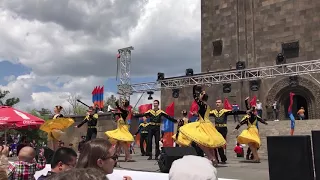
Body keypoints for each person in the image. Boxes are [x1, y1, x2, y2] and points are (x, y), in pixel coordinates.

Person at [175, 85, 226, 166]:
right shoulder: (207, 106)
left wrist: (193, 88)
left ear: (202, 97)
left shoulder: (202, 104)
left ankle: (210, 157)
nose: (199, 97)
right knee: (209, 144)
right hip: (208, 124)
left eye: (200, 96)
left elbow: (195, 97)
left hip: (203, 124)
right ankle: (214, 159)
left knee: (200, 142)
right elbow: (202, 113)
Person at [210, 99, 247, 164]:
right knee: (215, 144)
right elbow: (205, 114)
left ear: (222, 104)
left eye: (219, 102)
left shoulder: (225, 111)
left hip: (223, 128)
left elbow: (235, 112)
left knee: (221, 144)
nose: (217, 104)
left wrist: (246, 112)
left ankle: (223, 158)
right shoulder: (213, 112)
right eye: (216, 102)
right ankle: (216, 158)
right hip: (216, 128)